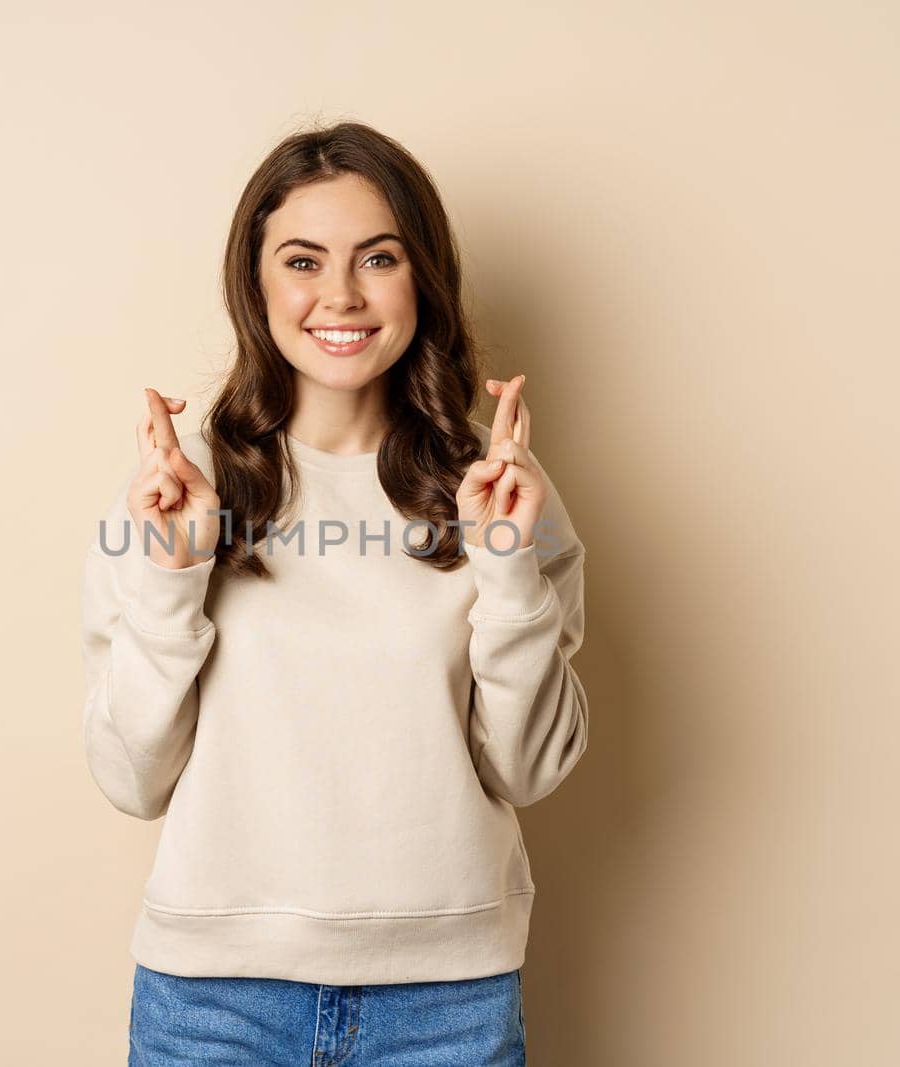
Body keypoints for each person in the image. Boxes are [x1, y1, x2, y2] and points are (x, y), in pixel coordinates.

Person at [80, 121, 589, 1065]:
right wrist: (174, 573)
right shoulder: (177, 489)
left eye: (379, 258)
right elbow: (131, 777)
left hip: (449, 1005)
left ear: (422, 278)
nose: (341, 295)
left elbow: (529, 768)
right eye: (304, 260)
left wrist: (509, 569)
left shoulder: (502, 489)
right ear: (258, 283)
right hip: (213, 1004)